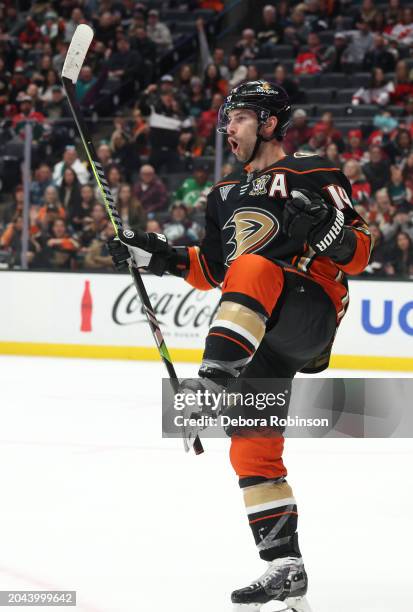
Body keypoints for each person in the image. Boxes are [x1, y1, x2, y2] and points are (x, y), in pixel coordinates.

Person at [108, 80, 371, 611]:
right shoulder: (224, 195)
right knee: (251, 446)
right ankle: (285, 566)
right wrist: (155, 255)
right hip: (264, 337)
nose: (226, 129)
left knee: (254, 267)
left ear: (270, 124)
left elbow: (360, 252)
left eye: (239, 119)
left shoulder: (313, 169)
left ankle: (210, 384)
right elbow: (214, 269)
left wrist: (324, 225)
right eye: (227, 120)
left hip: (309, 310)